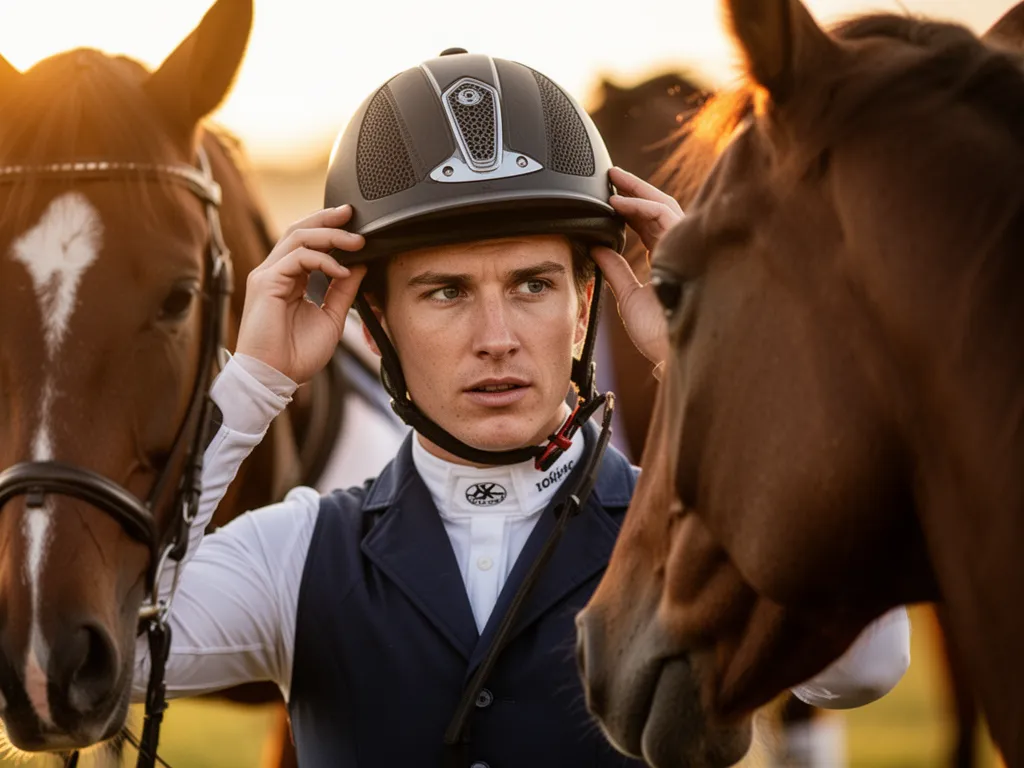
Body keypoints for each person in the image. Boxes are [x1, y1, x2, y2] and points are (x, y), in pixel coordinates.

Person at [133, 50, 911, 767]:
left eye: (533, 285)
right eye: (447, 292)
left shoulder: (698, 540)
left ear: (583, 312)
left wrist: (708, 361)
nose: (496, 339)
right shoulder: (296, 554)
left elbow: (867, 663)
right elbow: (114, 647)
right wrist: (257, 380)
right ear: (374, 329)